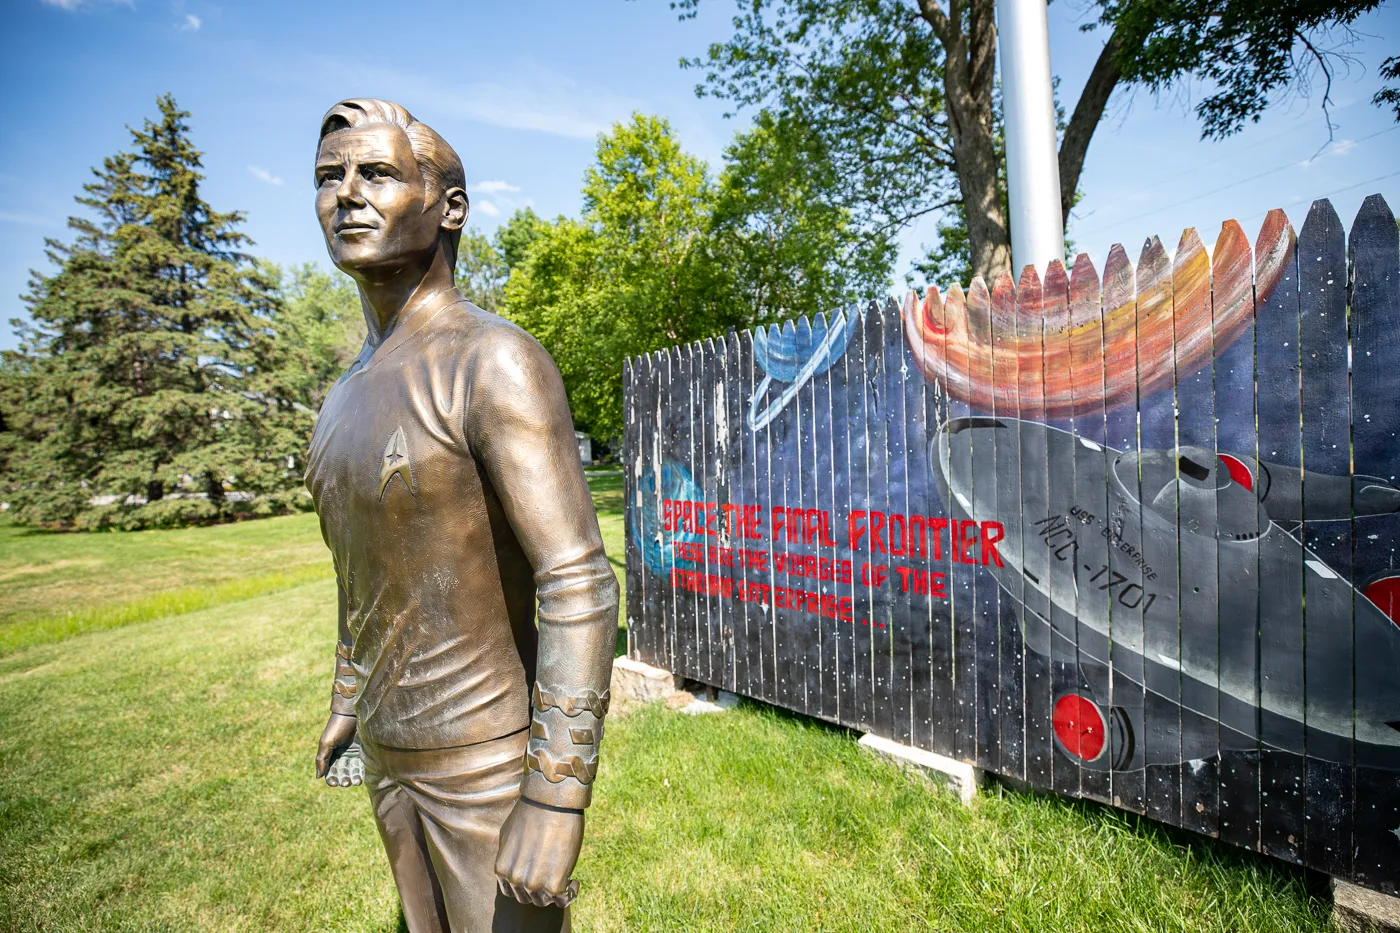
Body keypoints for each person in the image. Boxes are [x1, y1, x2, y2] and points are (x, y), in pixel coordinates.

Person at [304, 97, 617, 933]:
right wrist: (347, 698)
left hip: (485, 765)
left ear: (450, 207)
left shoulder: (494, 361)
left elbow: (579, 579)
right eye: (329, 178)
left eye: (376, 173)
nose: (347, 195)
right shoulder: (339, 401)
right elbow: (361, 572)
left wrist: (555, 793)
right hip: (390, 757)